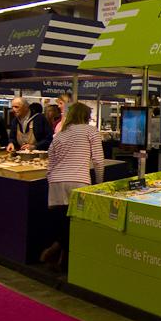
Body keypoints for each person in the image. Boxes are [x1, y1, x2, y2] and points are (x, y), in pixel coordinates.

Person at [44, 102, 104, 272]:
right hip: (78, 182)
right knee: (76, 224)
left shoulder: (60, 135)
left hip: (56, 183)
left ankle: (59, 257)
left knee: (63, 223)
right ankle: (59, 256)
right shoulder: (90, 131)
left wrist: (52, 181)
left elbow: (50, 163)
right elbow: (98, 160)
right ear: (85, 116)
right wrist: (99, 183)